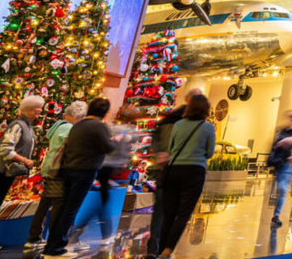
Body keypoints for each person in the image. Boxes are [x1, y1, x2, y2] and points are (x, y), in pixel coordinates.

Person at [42, 98, 116, 258]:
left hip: (68, 169)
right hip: (85, 171)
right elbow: (108, 147)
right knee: (70, 209)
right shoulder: (99, 126)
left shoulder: (78, 125)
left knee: (63, 208)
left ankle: (51, 246)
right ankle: (56, 248)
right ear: (105, 112)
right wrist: (116, 141)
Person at [0, 95, 43, 254]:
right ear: (31, 109)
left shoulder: (26, 125)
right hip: (0, 170)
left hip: (3, 171)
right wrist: (26, 161)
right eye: (38, 108)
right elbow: (6, 149)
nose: (40, 111)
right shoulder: (18, 125)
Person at [145, 88, 202, 259]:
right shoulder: (190, 122)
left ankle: (155, 249)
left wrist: (159, 153)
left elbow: (155, 138)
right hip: (177, 171)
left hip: (167, 170)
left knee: (162, 211)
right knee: (173, 212)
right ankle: (162, 249)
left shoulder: (169, 119)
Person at [157, 94, 215, 259]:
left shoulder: (178, 124)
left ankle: (161, 249)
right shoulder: (208, 128)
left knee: (169, 213)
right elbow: (210, 153)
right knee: (183, 213)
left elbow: (171, 147)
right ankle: (168, 249)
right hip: (194, 171)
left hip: (174, 170)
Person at [69, 107, 137, 246]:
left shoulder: (114, 128)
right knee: (102, 202)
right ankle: (80, 234)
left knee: (103, 201)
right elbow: (119, 146)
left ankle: (91, 233)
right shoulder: (123, 130)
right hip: (107, 168)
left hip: (104, 167)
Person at [25, 101, 87, 250]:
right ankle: (54, 241)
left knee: (45, 203)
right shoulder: (69, 129)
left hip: (49, 169)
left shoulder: (58, 126)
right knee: (58, 207)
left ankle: (34, 238)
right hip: (58, 171)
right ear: (79, 116)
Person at [268, 110, 292, 228]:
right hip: (280, 164)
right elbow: (277, 145)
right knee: (281, 189)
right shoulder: (282, 132)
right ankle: (276, 213)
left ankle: (276, 215)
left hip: (286, 166)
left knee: (282, 189)